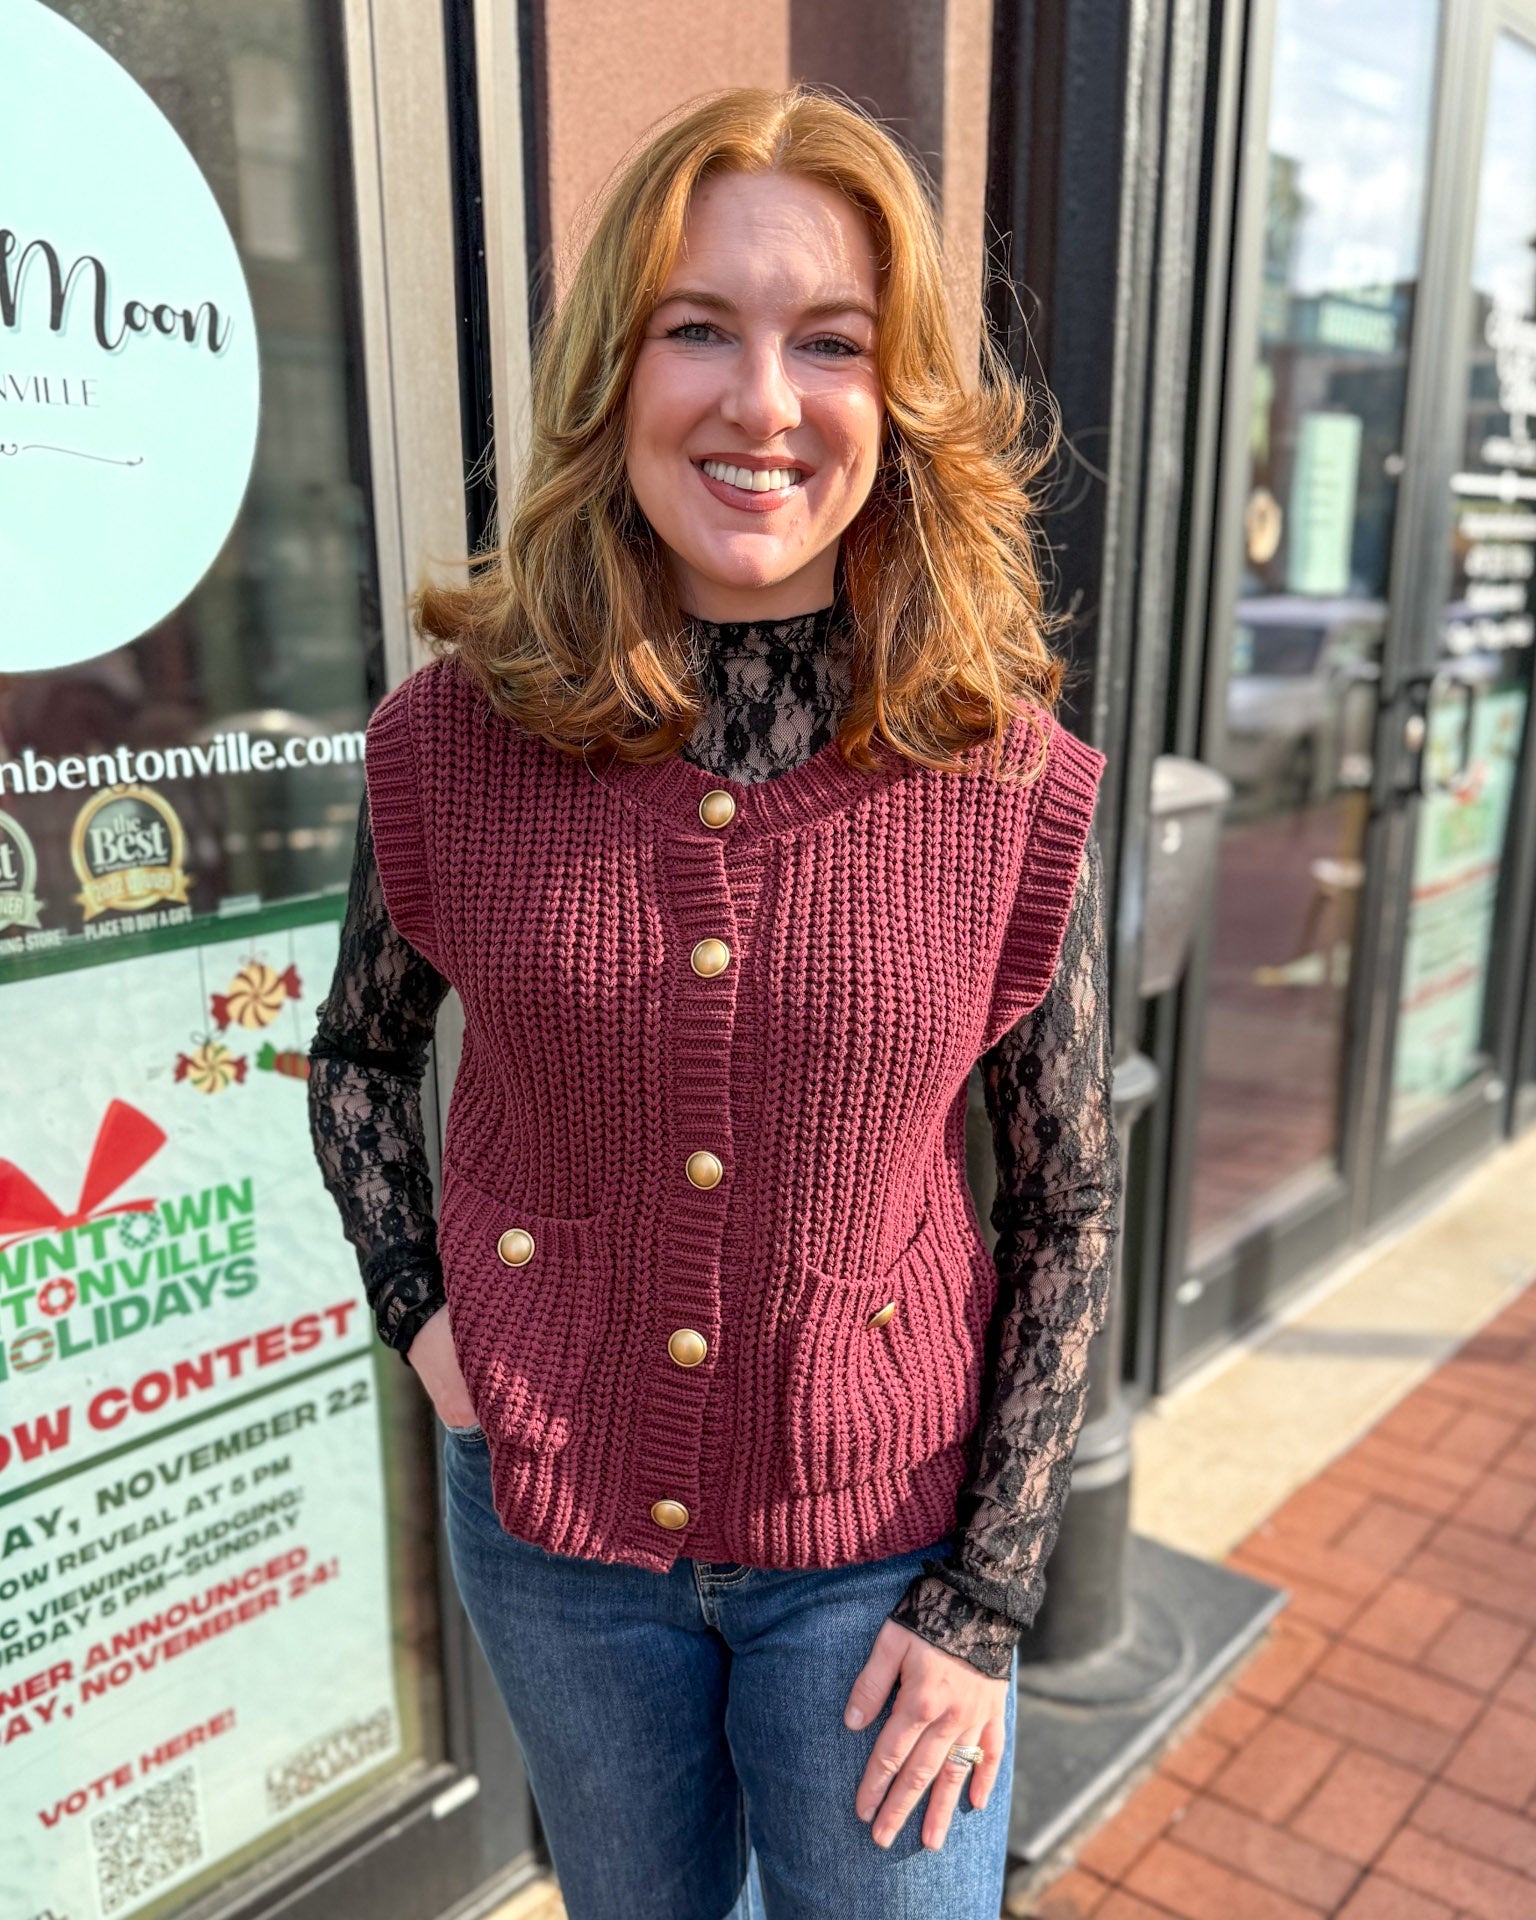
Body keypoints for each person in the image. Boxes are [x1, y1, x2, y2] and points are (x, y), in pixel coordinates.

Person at [308, 83, 1120, 1920]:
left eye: (829, 341)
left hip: (885, 1549)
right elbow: (360, 1062)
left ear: (895, 401)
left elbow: (1068, 1196)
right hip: (552, 1542)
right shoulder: (454, 740)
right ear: (616, 371)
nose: (763, 402)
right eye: (702, 328)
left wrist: (985, 1599)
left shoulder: (1004, 777)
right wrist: (437, 1337)